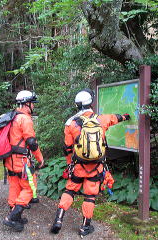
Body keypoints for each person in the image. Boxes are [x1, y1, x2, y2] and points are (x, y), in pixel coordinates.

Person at [50, 88, 130, 237]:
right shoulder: (101, 119)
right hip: (96, 167)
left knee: (69, 191)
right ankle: (85, 227)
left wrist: (70, 165)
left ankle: (58, 220)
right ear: (90, 103)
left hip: (78, 166)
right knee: (90, 196)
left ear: (77, 105)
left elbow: (67, 148)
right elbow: (115, 118)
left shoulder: (71, 124)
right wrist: (125, 117)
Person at [3, 90, 45, 232]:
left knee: (15, 185)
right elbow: (32, 142)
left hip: (10, 159)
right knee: (29, 187)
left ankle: (16, 214)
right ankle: (13, 217)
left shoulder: (12, 116)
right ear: (27, 104)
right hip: (21, 160)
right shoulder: (25, 119)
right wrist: (40, 158)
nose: (33, 106)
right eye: (32, 103)